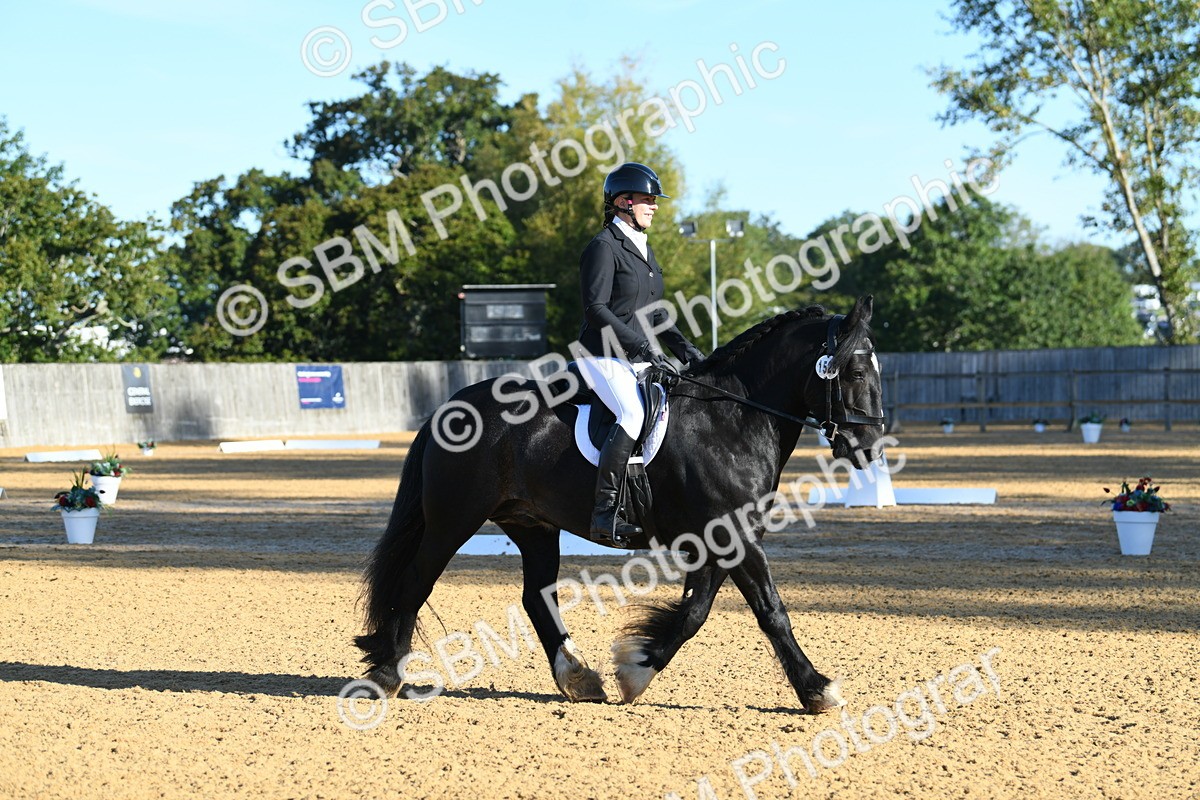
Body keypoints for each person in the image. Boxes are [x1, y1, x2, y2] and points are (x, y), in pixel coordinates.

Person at [577, 162, 705, 545]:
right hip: (603, 356)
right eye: (648, 200)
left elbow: (656, 313)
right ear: (622, 202)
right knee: (632, 413)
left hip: (638, 356)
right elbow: (596, 309)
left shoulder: (644, 250)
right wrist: (642, 346)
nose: (655, 206)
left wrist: (687, 350)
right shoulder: (603, 247)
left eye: (654, 200)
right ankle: (604, 513)